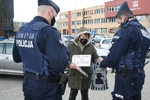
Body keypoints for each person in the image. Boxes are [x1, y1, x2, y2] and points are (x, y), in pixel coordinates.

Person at [12, 0, 69, 100]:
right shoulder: (49, 31)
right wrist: (64, 47)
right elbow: (60, 65)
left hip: (28, 85)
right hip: (47, 89)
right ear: (50, 12)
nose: (54, 18)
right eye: (55, 15)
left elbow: (16, 58)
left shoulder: (22, 30)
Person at [99, 1, 150, 100]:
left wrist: (103, 63)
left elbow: (115, 55)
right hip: (139, 76)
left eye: (119, 22)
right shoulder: (144, 30)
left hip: (125, 78)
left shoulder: (127, 29)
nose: (120, 25)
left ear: (123, 18)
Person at [67, 27, 101, 100]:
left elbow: (95, 57)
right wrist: (70, 64)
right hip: (74, 75)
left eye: (86, 36)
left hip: (85, 76)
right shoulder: (70, 46)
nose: (84, 38)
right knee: (72, 96)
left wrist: (99, 59)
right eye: (82, 36)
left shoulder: (91, 47)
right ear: (78, 36)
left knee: (85, 96)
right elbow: (66, 59)